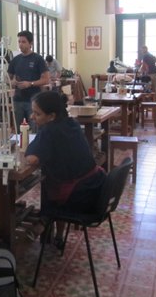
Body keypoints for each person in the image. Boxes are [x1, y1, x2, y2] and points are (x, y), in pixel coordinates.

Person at [25, 91, 106, 248]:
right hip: (95, 188)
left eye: (37, 114)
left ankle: (42, 224)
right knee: (53, 180)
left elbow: (32, 158)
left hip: (80, 197)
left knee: (51, 187)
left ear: (52, 116)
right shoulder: (71, 123)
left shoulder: (49, 130)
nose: (32, 117)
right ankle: (56, 234)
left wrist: (29, 148)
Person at [8, 30, 50, 131]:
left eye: (23, 42)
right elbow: (8, 77)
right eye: (19, 42)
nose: (20, 44)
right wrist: (12, 81)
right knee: (18, 131)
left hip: (33, 101)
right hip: (18, 100)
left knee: (35, 129)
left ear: (30, 43)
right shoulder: (15, 60)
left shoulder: (38, 59)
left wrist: (30, 84)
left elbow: (46, 79)